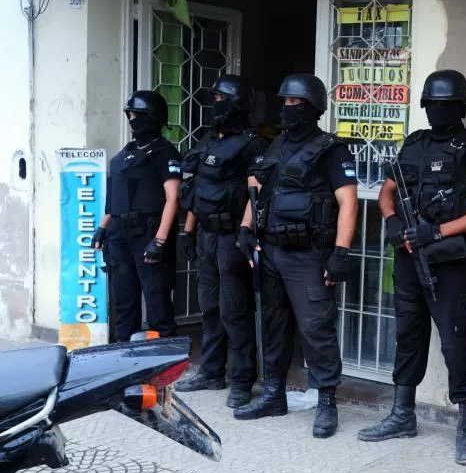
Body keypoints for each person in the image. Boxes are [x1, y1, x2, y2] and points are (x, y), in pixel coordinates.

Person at [357, 69, 466, 467]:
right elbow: (388, 193)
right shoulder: (414, 144)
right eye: (433, 104)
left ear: (460, 107)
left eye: (446, 105)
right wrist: (391, 221)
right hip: (407, 257)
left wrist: (435, 232)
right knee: (408, 335)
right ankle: (403, 415)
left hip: (450, 262)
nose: (438, 110)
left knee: (457, 342)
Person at [232, 72, 358, 439]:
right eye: (284, 102)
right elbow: (258, 192)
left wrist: (341, 254)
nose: (286, 109)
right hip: (270, 249)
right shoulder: (275, 145)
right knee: (273, 325)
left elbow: (348, 203)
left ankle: (327, 403)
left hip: (308, 256)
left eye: (294, 103)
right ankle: (273, 394)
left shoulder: (331, 150)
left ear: (312, 108)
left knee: (316, 329)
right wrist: (245, 229)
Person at [174, 75, 268, 409]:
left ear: (238, 102)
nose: (216, 102)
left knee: (234, 310)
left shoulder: (253, 143)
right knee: (210, 308)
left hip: (231, 236)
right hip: (206, 235)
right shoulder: (207, 140)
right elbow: (197, 190)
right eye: (213, 96)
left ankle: (242, 380)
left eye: (221, 97)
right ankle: (212, 371)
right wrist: (188, 229)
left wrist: (246, 230)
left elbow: (255, 193)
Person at [93, 90, 182, 342]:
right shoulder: (125, 155)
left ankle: (164, 358)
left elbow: (173, 199)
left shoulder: (165, 153)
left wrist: (160, 240)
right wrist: (102, 228)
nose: (132, 119)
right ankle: (123, 354)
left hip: (147, 234)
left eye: (137, 114)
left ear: (152, 117)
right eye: (129, 114)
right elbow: (115, 200)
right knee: (124, 300)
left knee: (156, 299)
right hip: (119, 234)